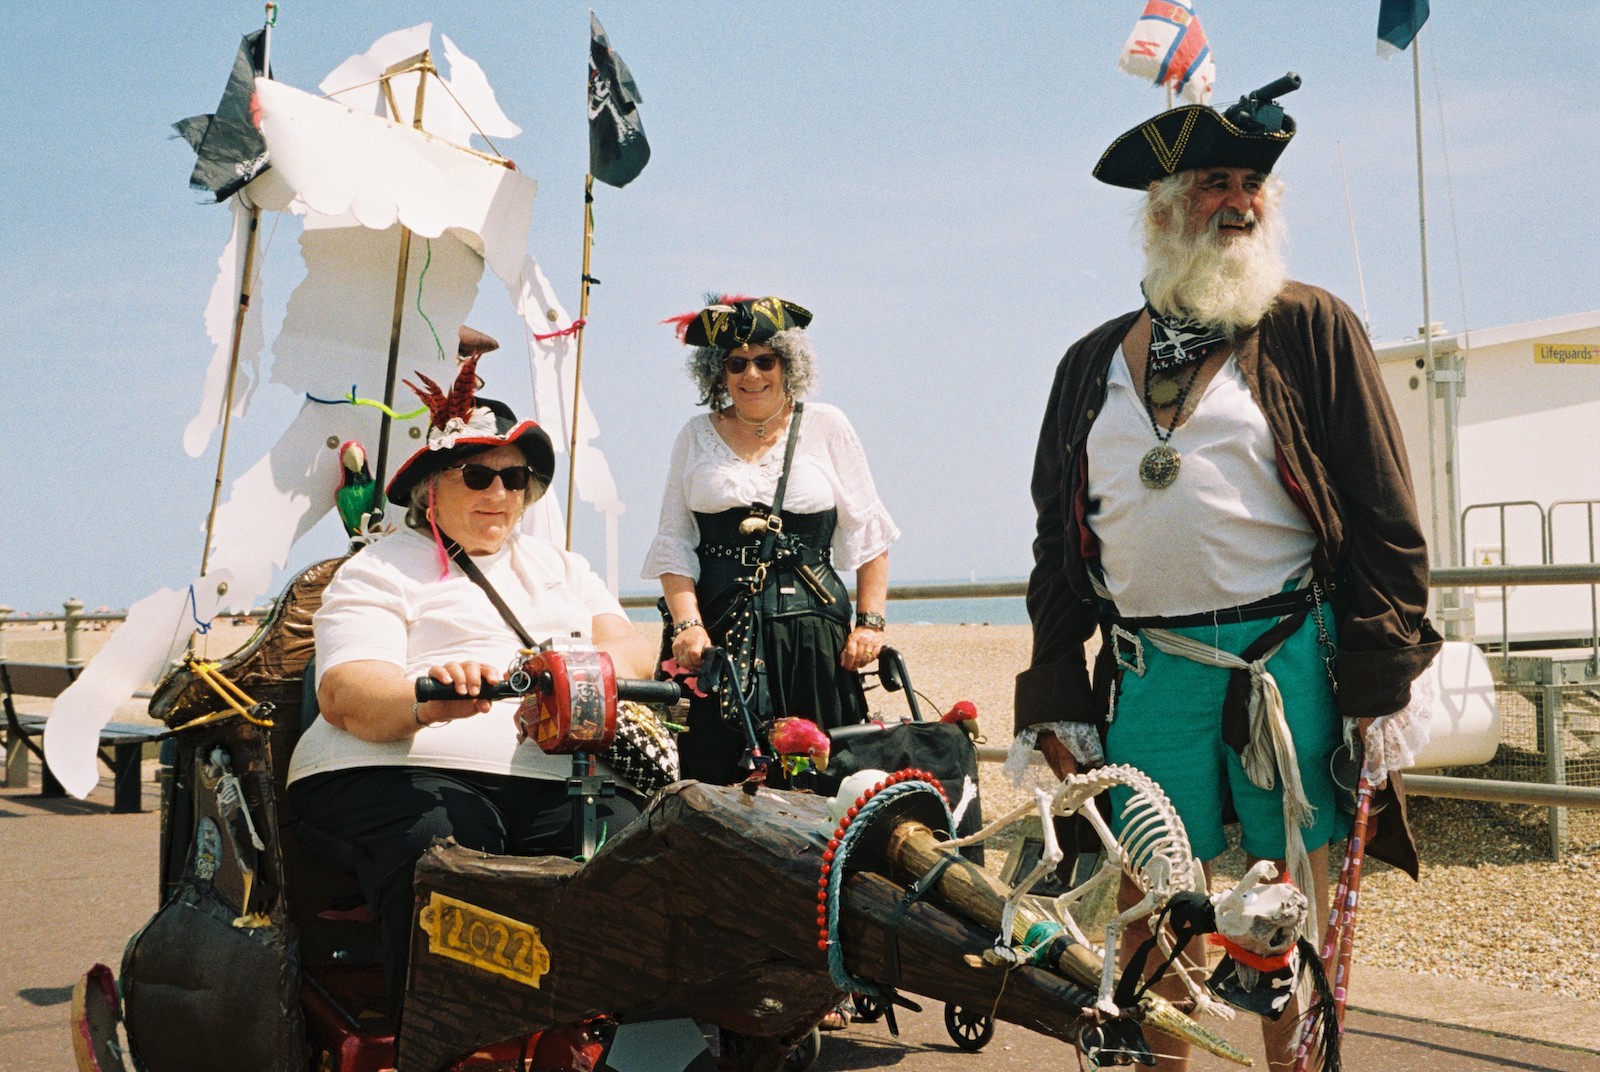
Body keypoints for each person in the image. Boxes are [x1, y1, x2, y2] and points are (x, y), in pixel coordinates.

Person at [1010, 81, 1440, 1070]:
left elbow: (1385, 519)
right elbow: (1055, 546)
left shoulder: (1312, 328)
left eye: (1252, 183)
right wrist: (1057, 692)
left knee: (1276, 907)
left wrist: (1381, 681)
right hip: (1150, 674)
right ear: (1163, 208)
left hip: (1280, 664)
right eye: (1215, 182)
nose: (1239, 200)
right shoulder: (1087, 364)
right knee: (1145, 900)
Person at [286, 352, 656, 1026]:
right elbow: (345, 691)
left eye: (516, 478)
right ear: (429, 488)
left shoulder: (563, 568)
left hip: (561, 774)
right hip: (402, 767)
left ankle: (605, 1041)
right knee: (453, 858)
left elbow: (634, 648)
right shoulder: (379, 571)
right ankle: (442, 1043)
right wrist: (426, 702)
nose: (500, 492)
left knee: (635, 859)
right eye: (479, 474)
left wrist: (572, 676)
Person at [644, 295, 899, 792]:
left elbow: (870, 533)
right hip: (718, 634)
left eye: (766, 360)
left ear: (789, 365)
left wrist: (870, 624)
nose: (752, 374)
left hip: (813, 638)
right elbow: (674, 542)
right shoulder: (694, 436)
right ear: (718, 372)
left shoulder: (827, 425)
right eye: (737, 363)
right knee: (715, 777)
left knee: (825, 778)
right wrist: (688, 625)